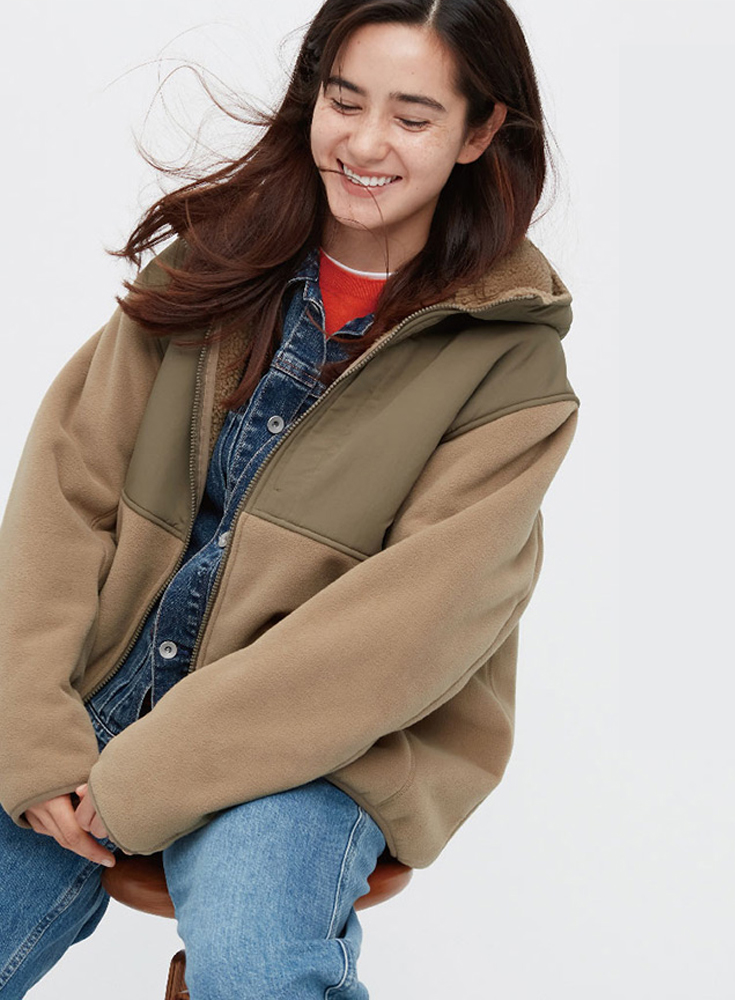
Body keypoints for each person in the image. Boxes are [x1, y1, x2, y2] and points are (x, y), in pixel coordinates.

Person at [0, 0, 577, 997]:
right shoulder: (208, 269)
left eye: (412, 117)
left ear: (480, 131)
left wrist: (149, 775)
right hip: (104, 692)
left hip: (321, 748)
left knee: (257, 964)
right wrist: (30, 729)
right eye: (343, 102)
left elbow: (398, 636)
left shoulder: (510, 368)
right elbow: (66, 493)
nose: (365, 143)